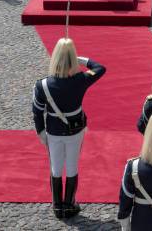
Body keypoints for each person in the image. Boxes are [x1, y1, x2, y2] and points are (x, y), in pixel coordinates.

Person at [32, 38, 106, 219]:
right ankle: (70, 204)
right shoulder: (80, 79)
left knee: (56, 168)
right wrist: (79, 59)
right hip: (75, 130)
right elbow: (100, 68)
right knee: (72, 166)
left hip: (53, 130)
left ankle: (57, 207)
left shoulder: (42, 85)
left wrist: (41, 133)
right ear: (72, 59)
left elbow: (37, 112)